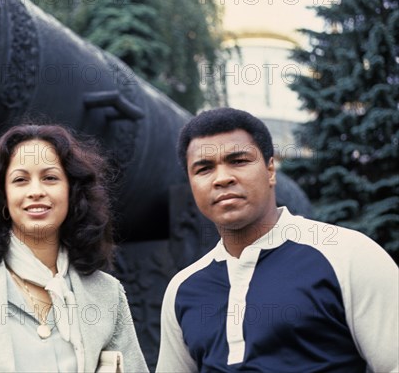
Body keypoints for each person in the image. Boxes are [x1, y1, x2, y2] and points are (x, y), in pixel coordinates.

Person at [156, 108, 398, 372]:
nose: (222, 178)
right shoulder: (182, 289)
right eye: (204, 169)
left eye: (238, 160)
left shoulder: (348, 256)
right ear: (191, 184)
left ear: (270, 170)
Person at [0, 124, 148, 372]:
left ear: (72, 193)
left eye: (50, 178)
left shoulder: (107, 294)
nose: (36, 191)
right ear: (3, 196)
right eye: (20, 180)